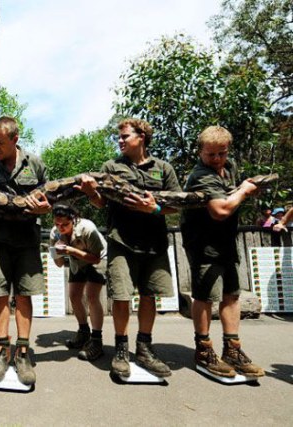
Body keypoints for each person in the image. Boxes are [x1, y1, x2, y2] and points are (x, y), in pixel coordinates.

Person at [78, 118, 180, 378]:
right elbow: (100, 203)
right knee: (121, 296)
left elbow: (177, 204)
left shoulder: (163, 168)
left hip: (154, 243)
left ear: (141, 137)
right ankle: (121, 349)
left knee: (149, 295)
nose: (120, 140)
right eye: (119, 137)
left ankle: (144, 348)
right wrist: (90, 193)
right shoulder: (111, 167)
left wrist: (155, 208)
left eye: (125, 136)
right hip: (121, 241)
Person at [181, 125, 264, 378]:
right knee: (205, 296)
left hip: (226, 240)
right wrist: (244, 190)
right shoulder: (201, 175)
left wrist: (244, 189)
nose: (217, 159)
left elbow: (233, 195)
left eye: (222, 153)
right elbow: (220, 211)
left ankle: (232, 349)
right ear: (200, 152)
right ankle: (203, 349)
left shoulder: (230, 167)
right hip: (203, 243)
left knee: (232, 294)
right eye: (211, 154)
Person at [0, 116, 51, 385]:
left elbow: (49, 200)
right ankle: (2, 349)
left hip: (27, 239)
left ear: (15, 139)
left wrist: (45, 209)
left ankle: (23, 351)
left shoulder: (35, 164)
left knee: (24, 295)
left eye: (1, 143)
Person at [49, 203, 107, 361]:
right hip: (77, 262)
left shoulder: (87, 228)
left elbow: (96, 259)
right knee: (74, 296)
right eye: (57, 224)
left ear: (73, 219)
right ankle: (83, 332)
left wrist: (71, 250)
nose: (60, 228)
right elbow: (59, 264)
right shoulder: (55, 233)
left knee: (92, 296)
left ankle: (96, 341)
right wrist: (57, 251)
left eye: (65, 224)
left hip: (98, 259)